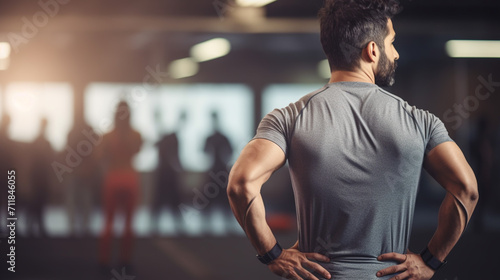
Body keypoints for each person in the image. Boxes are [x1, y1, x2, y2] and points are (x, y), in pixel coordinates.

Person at [227, 1, 478, 279]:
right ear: (372, 50)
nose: (394, 54)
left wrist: (272, 254)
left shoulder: (289, 117)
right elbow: (466, 189)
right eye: (391, 43)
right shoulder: (420, 121)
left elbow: (241, 184)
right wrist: (431, 261)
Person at [98, 101, 142, 269]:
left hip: (113, 177)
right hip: (129, 177)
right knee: (128, 222)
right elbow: (137, 151)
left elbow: (100, 156)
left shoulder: (108, 136)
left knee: (108, 221)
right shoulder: (136, 134)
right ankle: (125, 260)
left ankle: (104, 259)